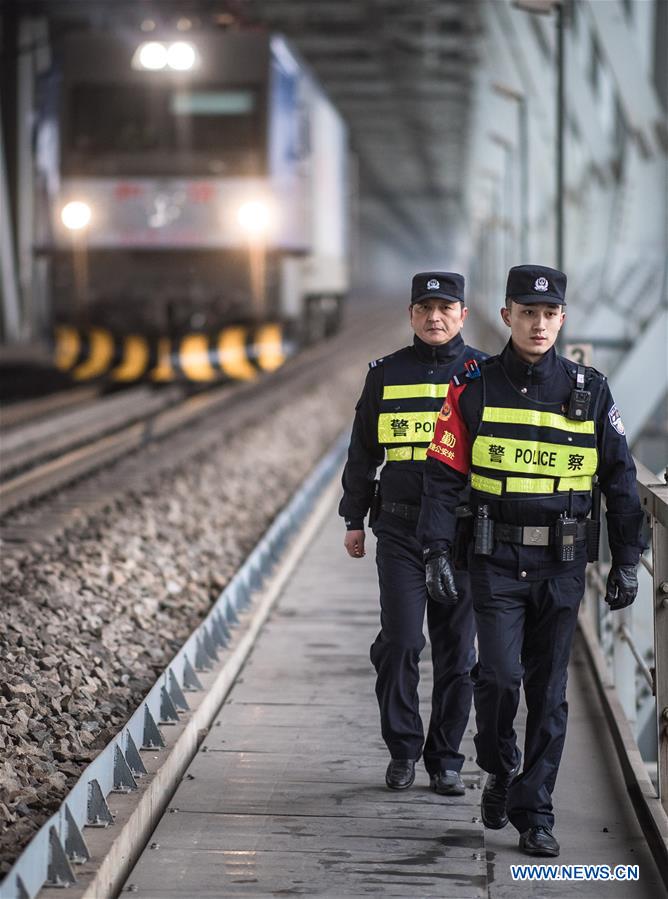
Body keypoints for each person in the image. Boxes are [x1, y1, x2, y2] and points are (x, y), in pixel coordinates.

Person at [418, 264, 644, 856]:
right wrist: (438, 548)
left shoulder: (590, 391)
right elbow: (442, 477)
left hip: (562, 567)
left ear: (562, 319)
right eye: (527, 313)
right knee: (497, 677)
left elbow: (621, 481)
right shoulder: (474, 388)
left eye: (549, 314)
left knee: (549, 694)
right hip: (493, 563)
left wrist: (626, 559)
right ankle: (499, 765)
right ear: (507, 316)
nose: (539, 324)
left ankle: (535, 811)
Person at [339, 272, 487, 794]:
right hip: (399, 528)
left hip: (463, 535)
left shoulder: (484, 375)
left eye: (446, 307)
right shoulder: (384, 374)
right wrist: (353, 518)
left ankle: (445, 759)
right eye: (424, 307)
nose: (434, 317)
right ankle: (403, 750)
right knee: (401, 642)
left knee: (458, 654)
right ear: (410, 314)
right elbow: (362, 453)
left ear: (463, 314)